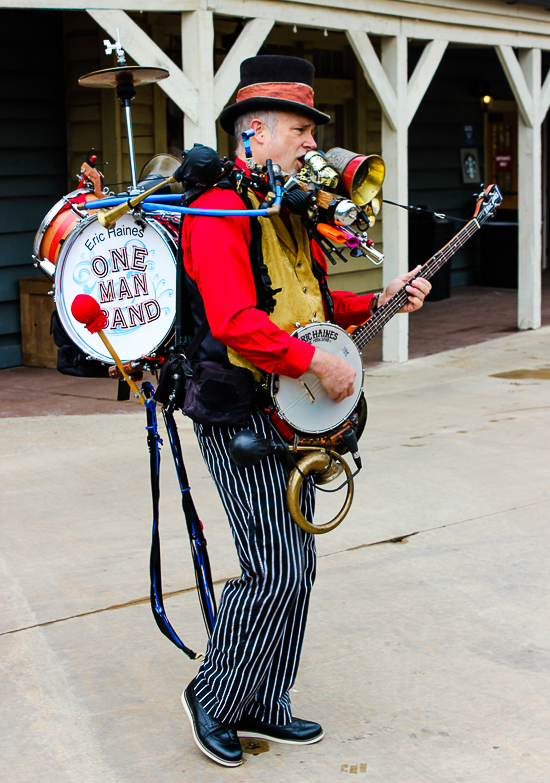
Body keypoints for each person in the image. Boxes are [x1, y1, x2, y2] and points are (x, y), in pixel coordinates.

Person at [180, 55, 431, 768]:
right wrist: (315, 363)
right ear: (253, 130)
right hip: (237, 409)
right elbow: (233, 319)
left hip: (292, 410)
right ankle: (216, 695)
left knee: (297, 564)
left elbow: (313, 308)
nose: (312, 144)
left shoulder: (285, 207)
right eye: (301, 129)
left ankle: (266, 699)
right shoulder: (219, 207)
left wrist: (385, 298)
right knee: (273, 569)